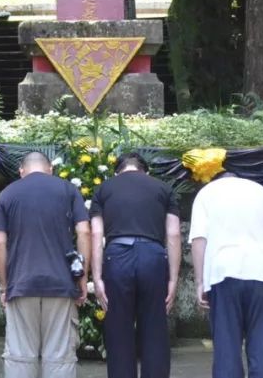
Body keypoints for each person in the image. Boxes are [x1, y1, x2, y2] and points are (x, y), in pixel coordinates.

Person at [0, 150, 90, 378]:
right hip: (61, 283)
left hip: (21, 283)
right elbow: (84, 232)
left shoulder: (8, 193)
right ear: (50, 169)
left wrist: (5, 286)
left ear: (21, 172)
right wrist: (82, 277)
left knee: (20, 354)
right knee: (59, 354)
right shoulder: (68, 190)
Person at [189, 171, 263, 378]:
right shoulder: (262, 193)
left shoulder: (206, 193)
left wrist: (200, 282)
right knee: (262, 353)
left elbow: (198, 239)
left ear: (217, 179)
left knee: (226, 353)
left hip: (223, 276)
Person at [89, 151, 181, 378]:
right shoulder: (163, 188)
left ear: (117, 171)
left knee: (119, 330)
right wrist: (173, 279)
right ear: (145, 171)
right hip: (153, 256)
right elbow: (174, 234)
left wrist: (97, 278)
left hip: (117, 257)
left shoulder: (104, 189)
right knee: (155, 330)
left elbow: (96, 234)